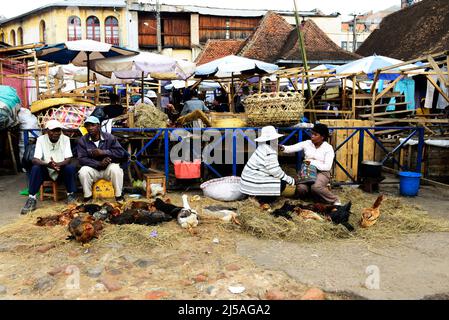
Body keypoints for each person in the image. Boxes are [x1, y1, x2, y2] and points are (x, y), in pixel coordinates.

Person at [20, 120, 77, 214]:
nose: (55, 133)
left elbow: (68, 159)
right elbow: (35, 159)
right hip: (46, 169)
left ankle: (71, 195)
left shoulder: (65, 139)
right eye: (52, 131)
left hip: (60, 168)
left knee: (70, 167)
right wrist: (48, 164)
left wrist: (58, 164)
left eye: (58, 130)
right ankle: (32, 198)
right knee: (35, 168)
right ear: (47, 131)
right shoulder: (41, 139)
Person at [279, 123, 340, 205]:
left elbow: (327, 167)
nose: (312, 136)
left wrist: (312, 162)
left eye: (315, 135)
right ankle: (310, 198)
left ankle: (334, 200)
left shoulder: (328, 148)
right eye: (312, 133)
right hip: (307, 170)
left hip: (322, 172)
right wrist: (282, 147)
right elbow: (291, 148)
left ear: (322, 137)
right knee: (301, 188)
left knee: (316, 187)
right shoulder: (307, 143)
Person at [240, 126, 296, 204]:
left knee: (276, 180)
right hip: (252, 183)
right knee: (281, 184)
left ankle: (256, 196)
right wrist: (291, 180)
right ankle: (261, 202)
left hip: (247, 182)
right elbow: (276, 171)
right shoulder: (269, 151)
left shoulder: (262, 147)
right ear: (273, 140)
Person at [77, 116, 127, 202]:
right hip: (94, 170)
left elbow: (121, 153)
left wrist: (104, 152)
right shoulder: (83, 140)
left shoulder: (109, 137)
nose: (90, 128)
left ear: (98, 126)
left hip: (108, 170)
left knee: (116, 169)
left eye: (93, 125)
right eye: (88, 126)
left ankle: (119, 196)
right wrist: (98, 164)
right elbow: (81, 159)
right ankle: (88, 197)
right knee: (83, 171)